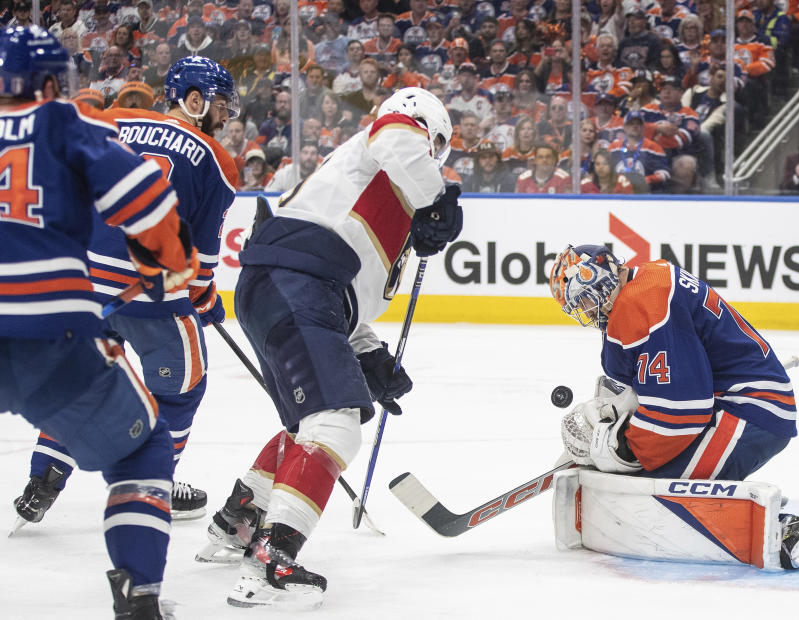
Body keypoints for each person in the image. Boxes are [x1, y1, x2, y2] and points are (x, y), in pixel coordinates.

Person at [197, 87, 463, 608]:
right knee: (337, 421)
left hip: (283, 286)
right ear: (428, 135)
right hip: (297, 282)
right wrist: (439, 198)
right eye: (435, 145)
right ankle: (273, 561)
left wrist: (368, 354)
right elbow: (395, 134)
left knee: (307, 426)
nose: (433, 156)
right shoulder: (386, 143)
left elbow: (350, 298)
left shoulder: (383, 198)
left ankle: (240, 520)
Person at [0, 25, 197, 618]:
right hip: (51, 334)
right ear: (55, 80)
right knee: (142, 453)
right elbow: (149, 206)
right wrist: (170, 263)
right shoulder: (65, 123)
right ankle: (138, 596)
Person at [15, 55, 240, 528]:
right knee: (182, 388)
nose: (226, 118)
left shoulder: (112, 121)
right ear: (194, 100)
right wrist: (206, 301)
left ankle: (44, 476)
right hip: (153, 298)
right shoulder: (217, 160)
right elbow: (197, 260)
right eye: (220, 106)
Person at [548, 244, 799, 570]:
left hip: (752, 409)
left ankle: (783, 530)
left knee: (650, 490)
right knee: (647, 480)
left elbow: (681, 412)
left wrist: (621, 447)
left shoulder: (642, 301)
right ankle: (734, 501)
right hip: (736, 401)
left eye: (586, 298)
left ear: (601, 281)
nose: (586, 310)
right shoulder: (647, 281)